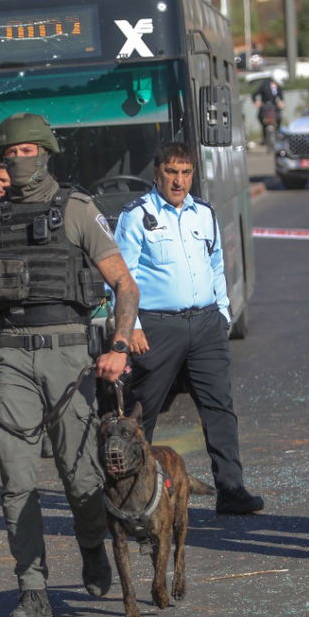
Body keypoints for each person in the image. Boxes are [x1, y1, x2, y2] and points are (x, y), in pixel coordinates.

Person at [0, 113, 139, 617]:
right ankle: (31, 585)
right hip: (11, 356)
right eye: (9, 153)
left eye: (27, 151)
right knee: (15, 475)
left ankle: (91, 544)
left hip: (70, 355)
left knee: (81, 479)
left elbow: (125, 284)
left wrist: (119, 344)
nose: (17, 160)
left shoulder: (78, 210)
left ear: (45, 153)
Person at [113, 143, 263, 516]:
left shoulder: (204, 213)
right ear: (157, 173)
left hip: (206, 324)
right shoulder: (136, 216)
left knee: (219, 409)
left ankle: (231, 489)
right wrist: (130, 327)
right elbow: (118, 277)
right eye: (171, 172)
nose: (179, 181)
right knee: (141, 414)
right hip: (157, 328)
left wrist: (223, 314)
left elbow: (216, 266)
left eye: (185, 172)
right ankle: (132, 494)